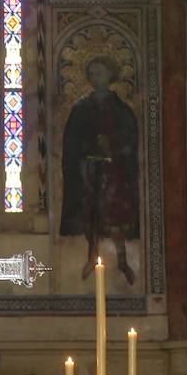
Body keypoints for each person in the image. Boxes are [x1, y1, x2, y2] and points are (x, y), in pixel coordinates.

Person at [59, 56, 139, 282]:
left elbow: (130, 140)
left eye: (100, 73)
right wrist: (86, 154)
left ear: (110, 75)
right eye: (92, 74)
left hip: (114, 172)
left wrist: (112, 145)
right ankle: (91, 257)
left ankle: (122, 261)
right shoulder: (82, 108)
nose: (96, 78)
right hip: (91, 170)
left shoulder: (120, 109)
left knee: (115, 215)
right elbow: (73, 141)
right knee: (91, 214)